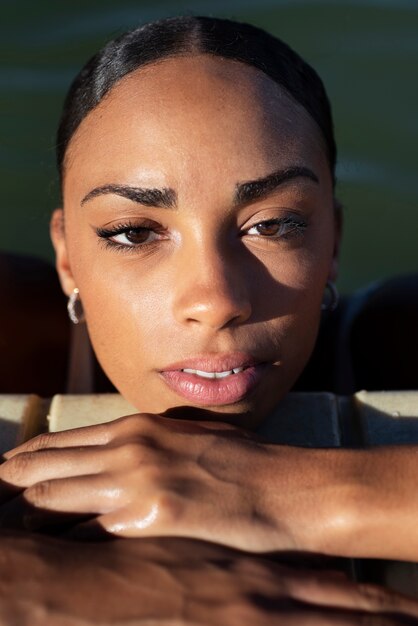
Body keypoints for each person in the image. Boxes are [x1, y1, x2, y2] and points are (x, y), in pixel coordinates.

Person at [0, 16, 417, 620]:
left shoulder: (396, 332)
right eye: (133, 232)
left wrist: (286, 495)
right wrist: (54, 581)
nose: (216, 300)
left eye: (272, 225)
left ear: (332, 242)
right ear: (67, 256)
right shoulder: (14, 323)